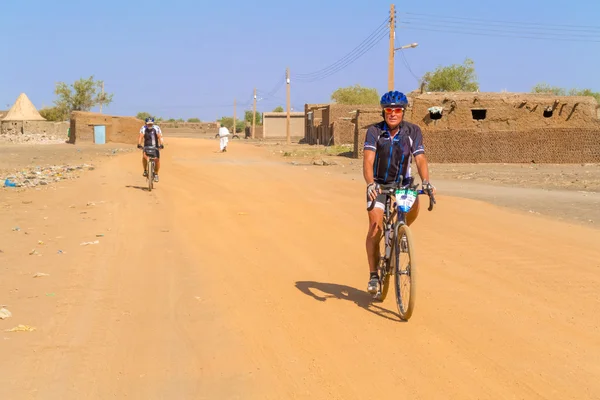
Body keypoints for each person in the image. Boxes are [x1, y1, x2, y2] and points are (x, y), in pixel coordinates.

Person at [363, 90, 437, 295]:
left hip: (403, 183)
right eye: (389, 110)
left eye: (397, 110)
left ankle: (402, 231)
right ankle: (373, 275)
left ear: (403, 112)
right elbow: (368, 160)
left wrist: (427, 182)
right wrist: (370, 184)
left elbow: (420, 158)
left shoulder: (413, 131)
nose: (393, 113)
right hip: (378, 184)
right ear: (383, 112)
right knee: (375, 228)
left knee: (414, 204)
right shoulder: (374, 131)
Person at [137, 117, 164, 182]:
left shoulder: (156, 128)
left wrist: (161, 144)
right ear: (146, 123)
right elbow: (141, 136)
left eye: (151, 124)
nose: (150, 125)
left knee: (157, 160)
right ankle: (145, 170)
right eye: (148, 124)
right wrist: (139, 144)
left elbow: (159, 137)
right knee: (144, 157)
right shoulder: (143, 128)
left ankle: (156, 174)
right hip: (146, 146)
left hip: (155, 146)